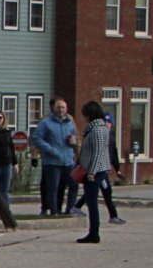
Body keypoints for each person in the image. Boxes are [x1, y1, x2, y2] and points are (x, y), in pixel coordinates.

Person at [75, 100, 119, 244]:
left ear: (90, 114)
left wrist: (91, 172)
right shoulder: (95, 128)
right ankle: (93, 232)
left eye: (85, 114)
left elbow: (99, 152)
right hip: (95, 169)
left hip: (96, 171)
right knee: (90, 201)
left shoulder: (98, 130)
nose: (84, 117)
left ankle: (94, 233)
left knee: (92, 203)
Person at [31, 97, 78, 217]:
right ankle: (53, 211)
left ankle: (69, 210)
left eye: (63, 107)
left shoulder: (70, 122)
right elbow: (36, 138)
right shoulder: (45, 122)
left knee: (73, 185)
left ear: (66, 109)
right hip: (52, 161)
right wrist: (49, 150)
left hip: (68, 160)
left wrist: (74, 141)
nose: (61, 109)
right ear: (53, 108)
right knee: (53, 187)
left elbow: (75, 137)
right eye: (58, 107)